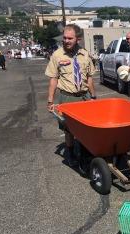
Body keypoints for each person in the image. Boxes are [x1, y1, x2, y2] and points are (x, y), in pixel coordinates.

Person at [45, 24, 97, 167]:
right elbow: (53, 79)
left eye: (70, 38)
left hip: (85, 96)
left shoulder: (85, 54)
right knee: (69, 129)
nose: (66, 41)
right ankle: (71, 154)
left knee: (87, 127)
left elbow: (89, 78)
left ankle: (87, 153)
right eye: (65, 38)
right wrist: (50, 101)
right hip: (67, 97)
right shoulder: (57, 55)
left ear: (78, 39)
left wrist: (93, 97)